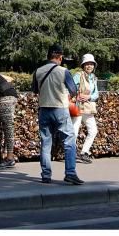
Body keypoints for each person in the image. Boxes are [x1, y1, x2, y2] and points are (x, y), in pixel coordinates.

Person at [32, 44, 82, 184]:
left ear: (48, 57)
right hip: (60, 109)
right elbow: (73, 90)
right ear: (60, 57)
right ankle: (70, 173)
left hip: (43, 109)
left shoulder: (38, 71)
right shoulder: (63, 71)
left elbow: (35, 90)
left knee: (46, 143)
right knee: (69, 141)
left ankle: (46, 175)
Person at [72, 53, 100, 163]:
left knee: (93, 130)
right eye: (87, 64)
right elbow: (71, 89)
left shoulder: (93, 78)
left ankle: (84, 152)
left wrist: (89, 96)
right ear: (83, 65)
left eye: (91, 64)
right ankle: (71, 153)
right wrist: (77, 96)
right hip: (78, 107)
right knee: (74, 131)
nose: (89, 66)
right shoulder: (78, 75)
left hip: (88, 108)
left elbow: (96, 94)